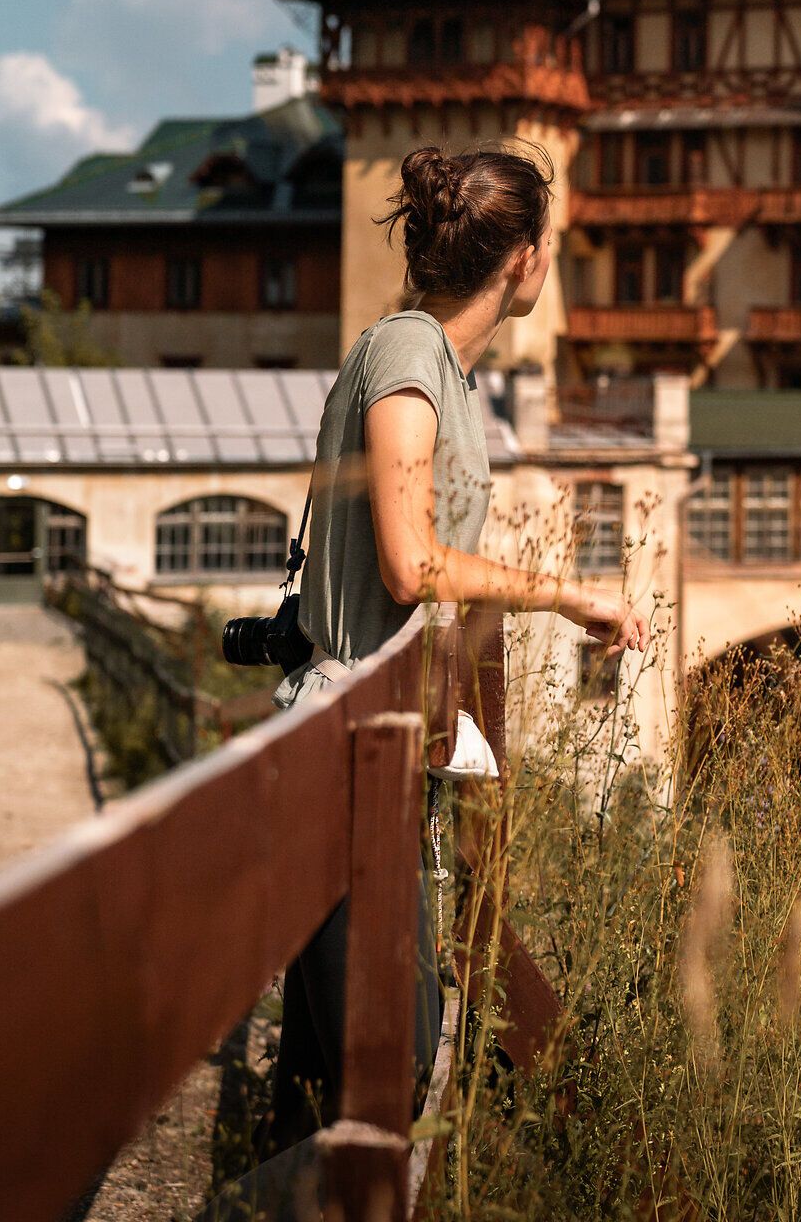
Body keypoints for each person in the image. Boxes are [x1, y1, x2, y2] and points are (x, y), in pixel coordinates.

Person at [267, 141, 648, 1146]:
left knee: (324, 1077)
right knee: (387, 1060)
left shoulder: (440, 367)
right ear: (521, 260)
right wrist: (563, 595)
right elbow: (409, 562)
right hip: (341, 751)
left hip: (377, 749)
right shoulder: (406, 355)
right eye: (552, 244)